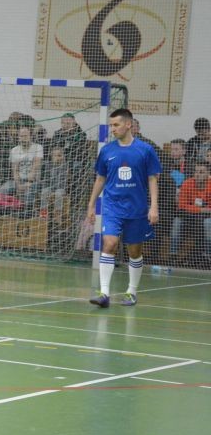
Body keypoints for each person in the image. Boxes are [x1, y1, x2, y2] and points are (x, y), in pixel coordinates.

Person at [85, 108, 161, 307]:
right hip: (112, 207)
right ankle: (104, 294)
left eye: (116, 124)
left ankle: (131, 292)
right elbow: (100, 178)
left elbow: (152, 179)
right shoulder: (107, 151)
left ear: (128, 124)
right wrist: (91, 205)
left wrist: (154, 207)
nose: (112, 129)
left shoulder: (145, 150)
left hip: (137, 209)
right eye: (111, 125)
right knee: (109, 243)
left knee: (134, 252)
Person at [0, 126, 43, 209]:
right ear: (18, 137)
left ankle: (27, 212)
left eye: (25, 136)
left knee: (28, 192)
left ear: (30, 136)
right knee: (4, 188)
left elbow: (36, 166)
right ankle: (6, 210)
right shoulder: (14, 150)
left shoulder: (38, 147)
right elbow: (15, 170)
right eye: (21, 136)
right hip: (19, 180)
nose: (23, 138)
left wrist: (29, 183)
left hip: (34, 181)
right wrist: (18, 184)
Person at [176, 162, 211, 262]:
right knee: (177, 221)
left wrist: (192, 208)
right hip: (189, 216)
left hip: (206, 217)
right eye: (196, 171)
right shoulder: (187, 183)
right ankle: (173, 255)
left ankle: (207, 255)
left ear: (208, 173)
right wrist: (200, 209)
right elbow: (181, 205)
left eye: (201, 172)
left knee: (207, 222)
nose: (197, 174)